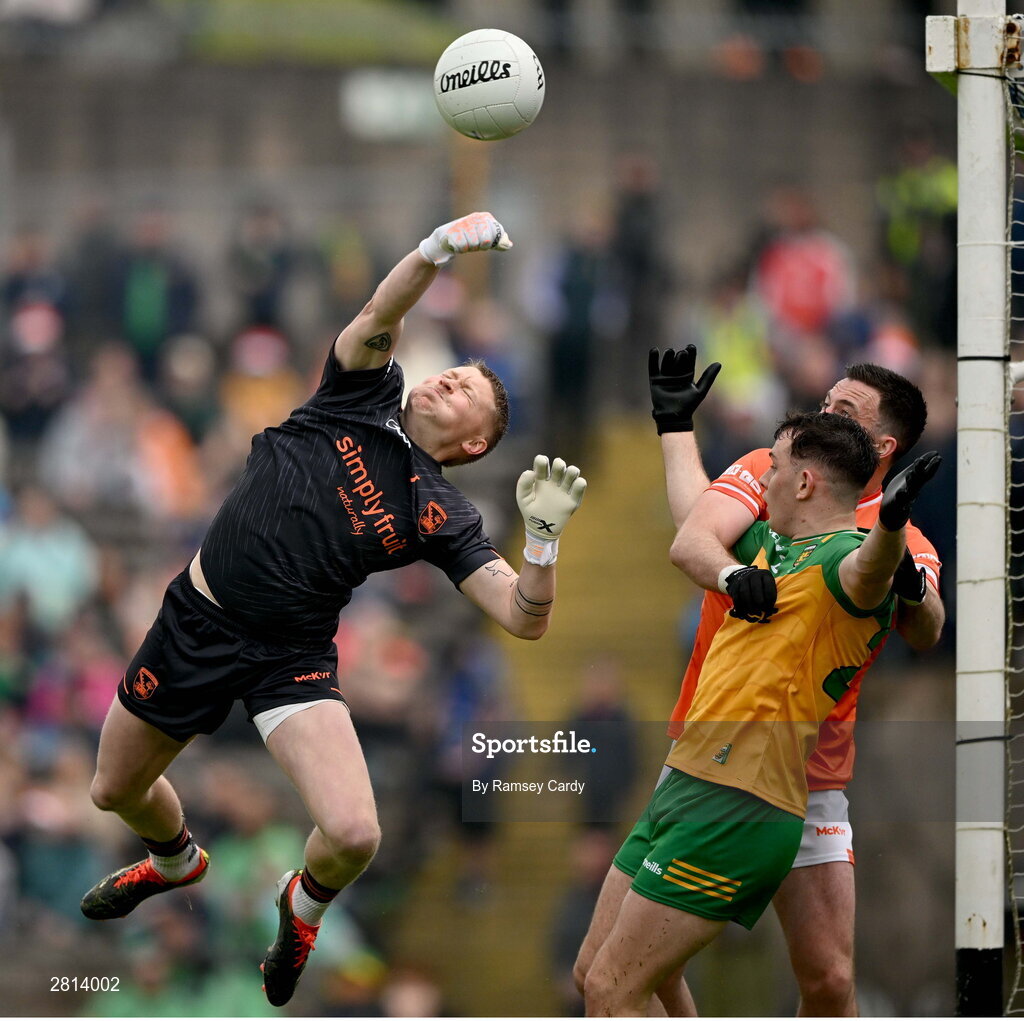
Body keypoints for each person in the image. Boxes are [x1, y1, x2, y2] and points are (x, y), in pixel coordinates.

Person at [78, 211, 588, 1008]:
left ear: (475, 445)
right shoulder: (361, 388)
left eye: (469, 392)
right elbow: (385, 308)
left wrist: (545, 543)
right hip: (197, 620)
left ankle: (302, 909)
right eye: (453, 372)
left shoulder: (443, 511)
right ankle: (176, 861)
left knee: (356, 833)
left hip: (290, 657)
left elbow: (523, 615)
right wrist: (436, 248)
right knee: (113, 789)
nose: (449, 380)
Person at [574, 346, 944, 1016]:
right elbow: (694, 532)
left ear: (882, 446)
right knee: (607, 975)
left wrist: (893, 537)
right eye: (826, 399)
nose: (824, 409)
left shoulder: (877, 545)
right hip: (700, 757)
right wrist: (675, 427)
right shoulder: (777, 501)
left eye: (843, 408)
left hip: (787, 777)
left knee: (826, 979)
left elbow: (914, 617)